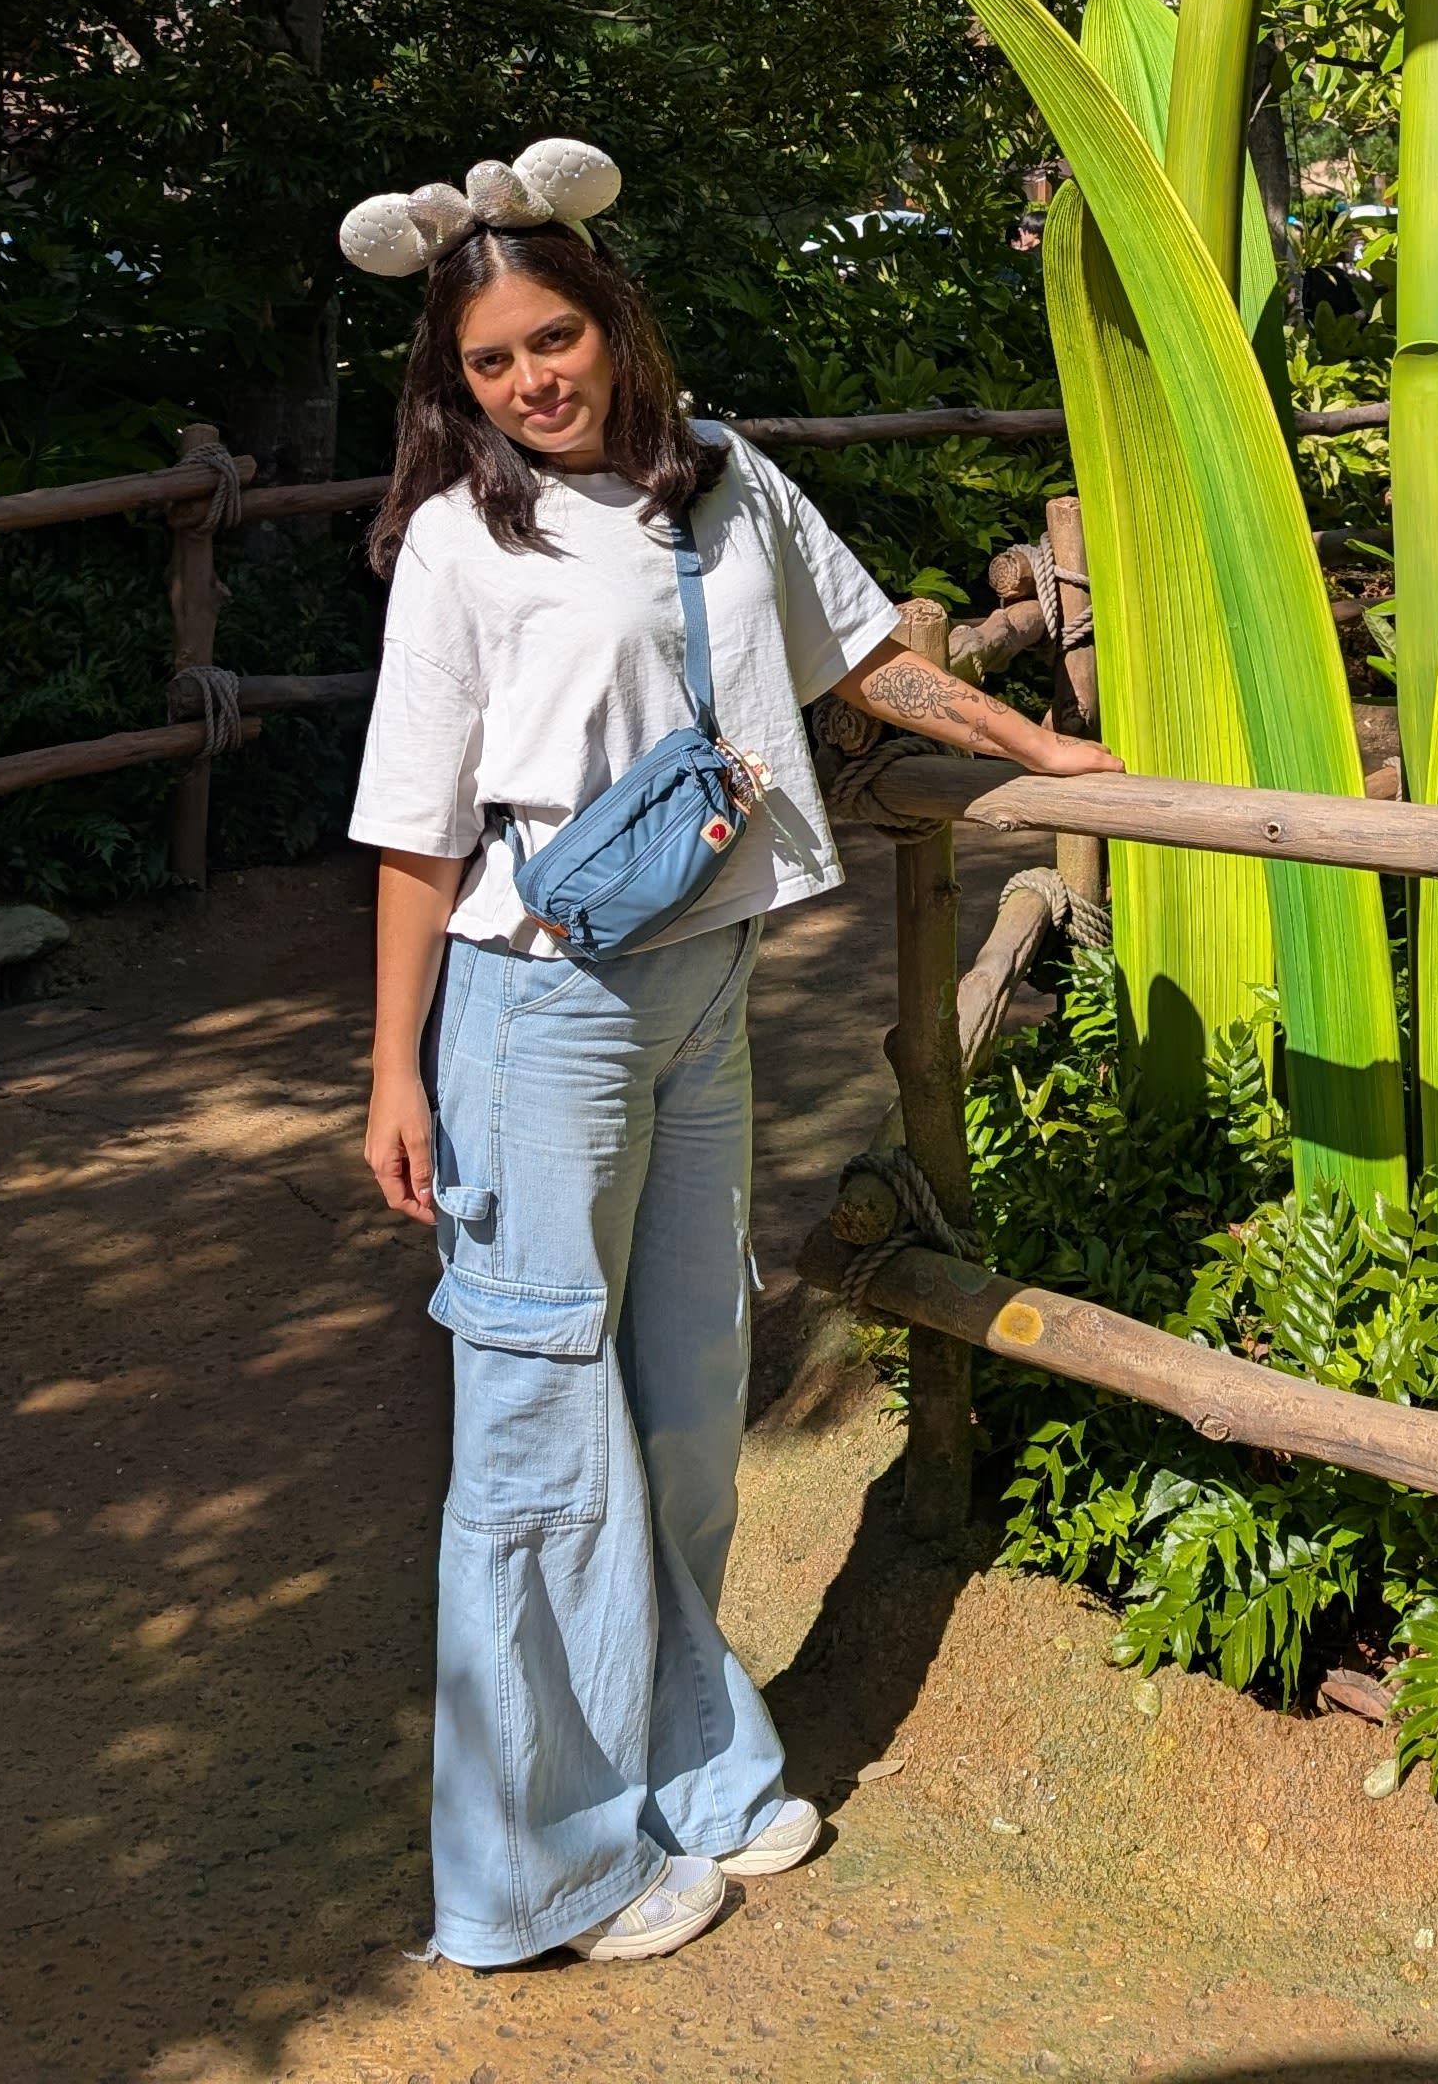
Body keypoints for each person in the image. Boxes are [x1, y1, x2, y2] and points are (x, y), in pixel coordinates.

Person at [341, 150, 1112, 1977]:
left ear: (612, 320)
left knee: (690, 1400)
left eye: (553, 339)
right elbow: (414, 826)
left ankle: (683, 1764)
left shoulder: (725, 479)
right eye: (491, 362)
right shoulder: (461, 540)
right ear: (453, 382)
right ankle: (539, 1869)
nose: (531, 381)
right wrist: (395, 1071)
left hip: (704, 988)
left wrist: (1047, 755)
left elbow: (861, 663)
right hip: (537, 1006)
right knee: (538, 1431)